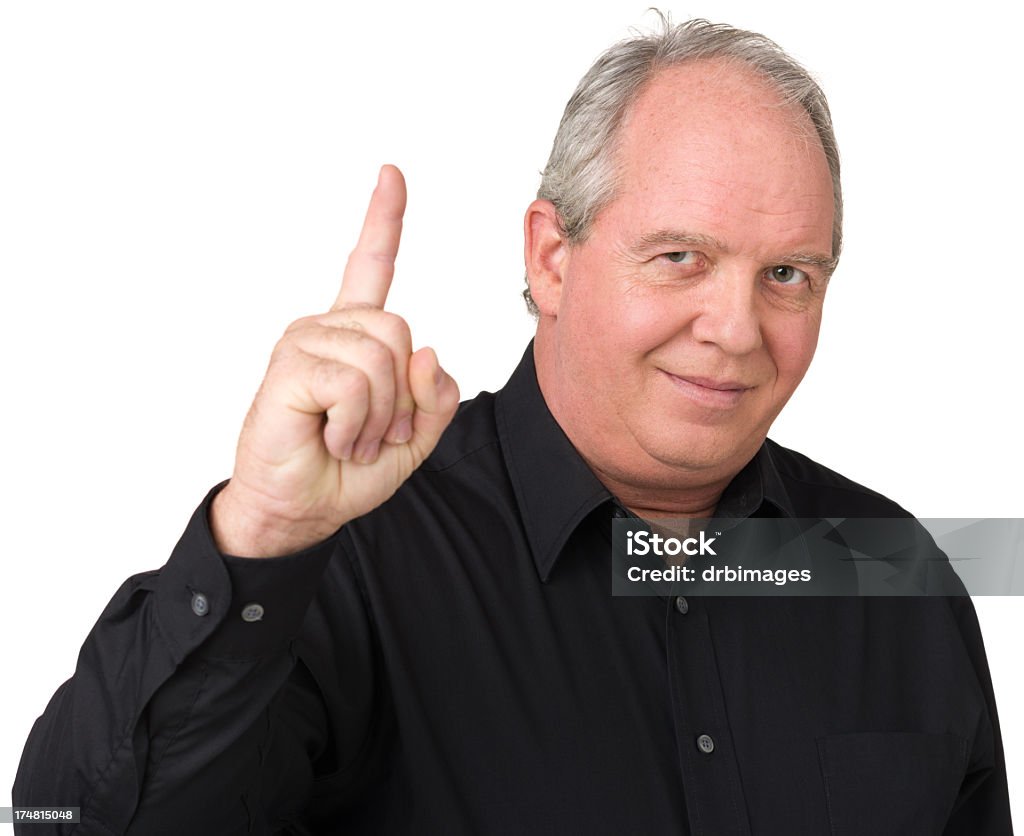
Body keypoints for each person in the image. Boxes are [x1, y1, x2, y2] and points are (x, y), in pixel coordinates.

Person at [13, 17, 1013, 834]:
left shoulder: (892, 572)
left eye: (787, 273)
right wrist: (260, 537)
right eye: (680, 257)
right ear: (551, 257)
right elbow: (68, 819)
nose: (736, 329)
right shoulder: (347, 550)